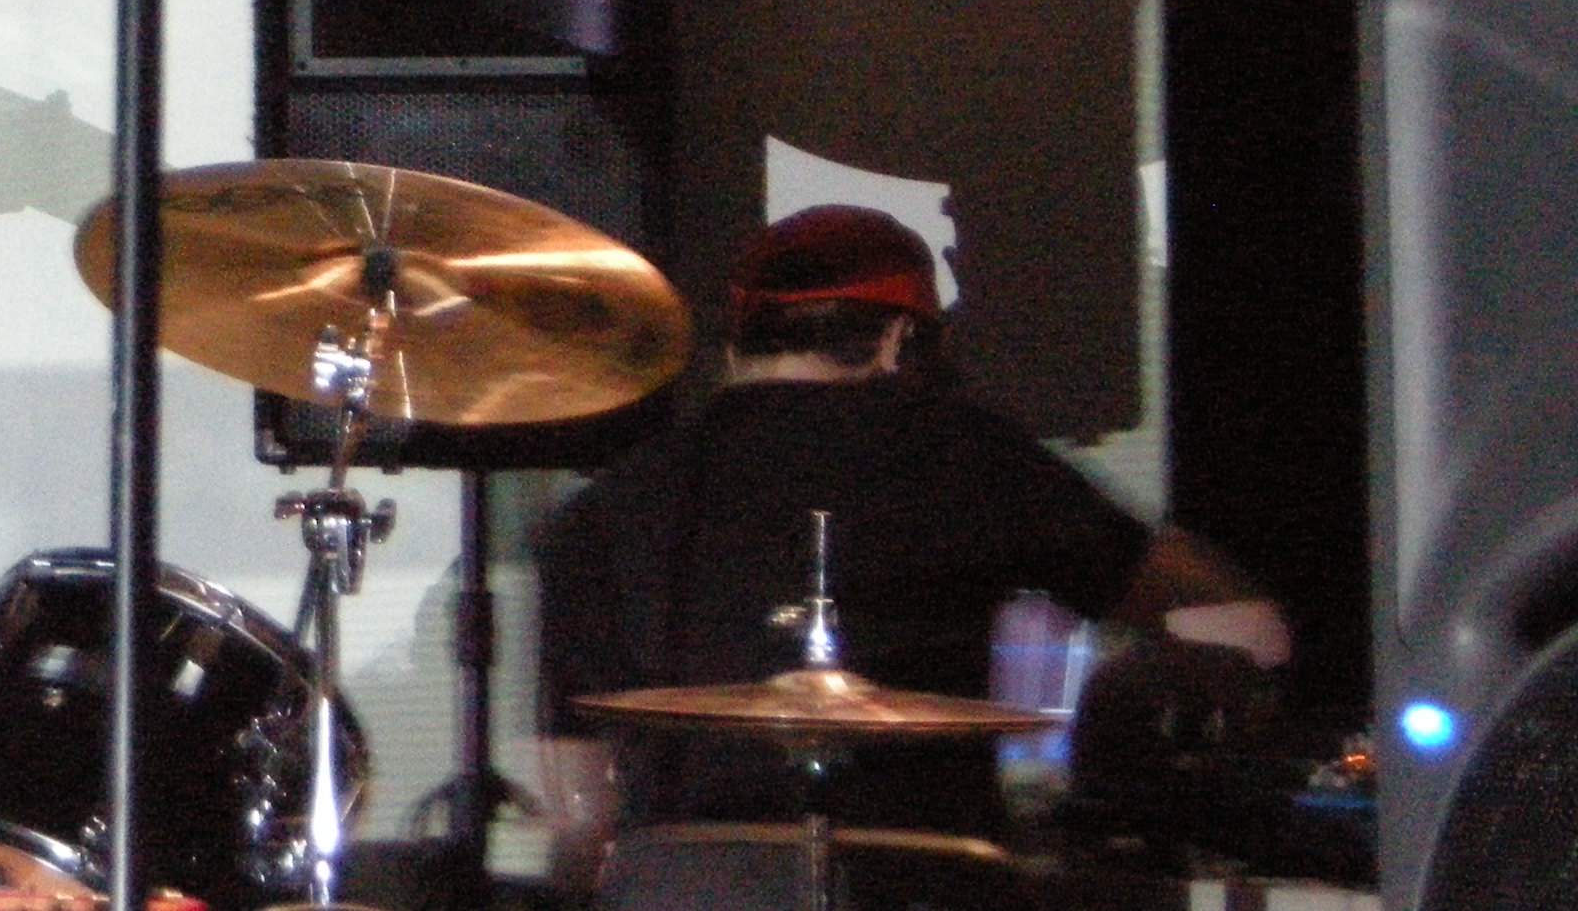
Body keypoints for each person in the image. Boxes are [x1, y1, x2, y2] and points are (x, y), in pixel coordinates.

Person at [532, 205, 1287, 892]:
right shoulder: (969, 457)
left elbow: (580, 818)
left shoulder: (598, 512)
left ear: (734, 350)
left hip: (681, 887)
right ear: (898, 341)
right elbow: (1242, 626)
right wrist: (1123, 706)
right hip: (919, 880)